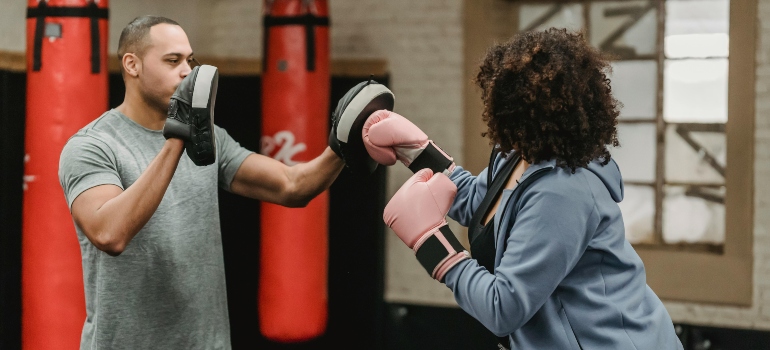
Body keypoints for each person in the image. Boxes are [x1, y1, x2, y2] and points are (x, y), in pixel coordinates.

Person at [363, 28, 684, 349]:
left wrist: (433, 245)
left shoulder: (563, 190)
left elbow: (504, 307)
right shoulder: (519, 154)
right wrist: (417, 151)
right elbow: (480, 205)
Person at [58, 15, 354, 349]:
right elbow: (109, 234)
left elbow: (291, 185)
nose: (186, 71)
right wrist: (176, 141)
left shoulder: (208, 137)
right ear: (132, 64)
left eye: (190, 60)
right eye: (173, 61)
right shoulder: (93, 146)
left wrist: (343, 145)